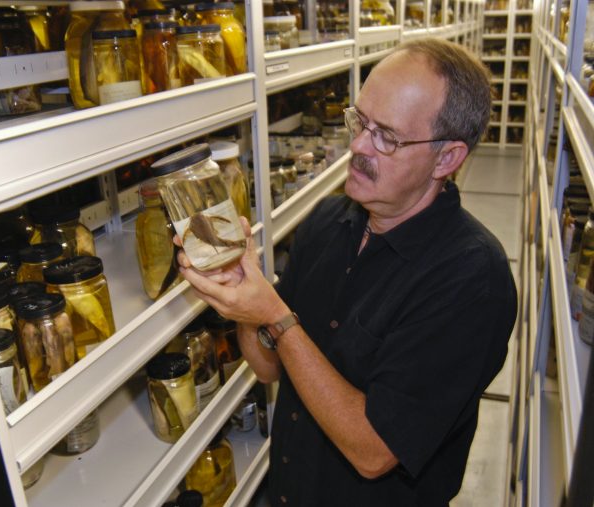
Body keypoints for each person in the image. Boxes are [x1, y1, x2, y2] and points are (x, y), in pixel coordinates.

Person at [177, 37, 518, 506]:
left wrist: (274, 314)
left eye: (387, 137)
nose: (357, 145)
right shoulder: (327, 220)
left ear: (447, 158)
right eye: (360, 121)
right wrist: (241, 299)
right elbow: (269, 365)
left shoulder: (473, 280)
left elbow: (374, 450)